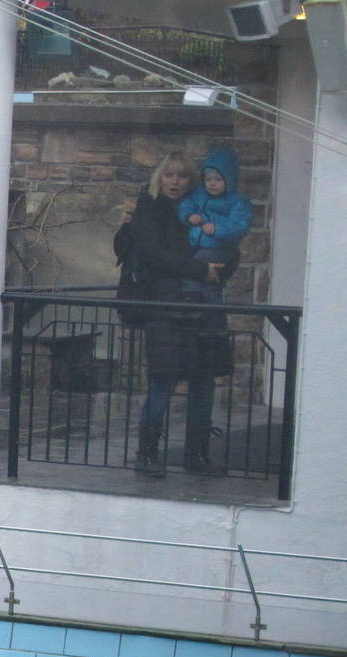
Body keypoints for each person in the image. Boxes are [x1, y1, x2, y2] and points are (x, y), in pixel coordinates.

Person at [113, 150, 227, 478]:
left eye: (182, 176)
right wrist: (199, 269)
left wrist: (218, 268)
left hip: (200, 305)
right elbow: (154, 255)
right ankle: (146, 453)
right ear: (160, 178)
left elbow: (224, 248)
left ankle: (197, 454)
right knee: (162, 381)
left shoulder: (204, 207)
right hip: (165, 306)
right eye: (169, 175)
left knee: (204, 382)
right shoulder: (149, 208)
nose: (175, 182)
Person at [179, 146, 253, 305]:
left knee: (196, 269)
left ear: (229, 179)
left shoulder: (237, 201)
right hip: (197, 244)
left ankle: (189, 298)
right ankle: (213, 318)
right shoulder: (198, 194)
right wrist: (189, 216)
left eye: (218, 179)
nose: (212, 183)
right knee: (210, 286)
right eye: (208, 179)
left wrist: (216, 228)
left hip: (220, 248)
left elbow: (240, 226)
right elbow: (185, 205)